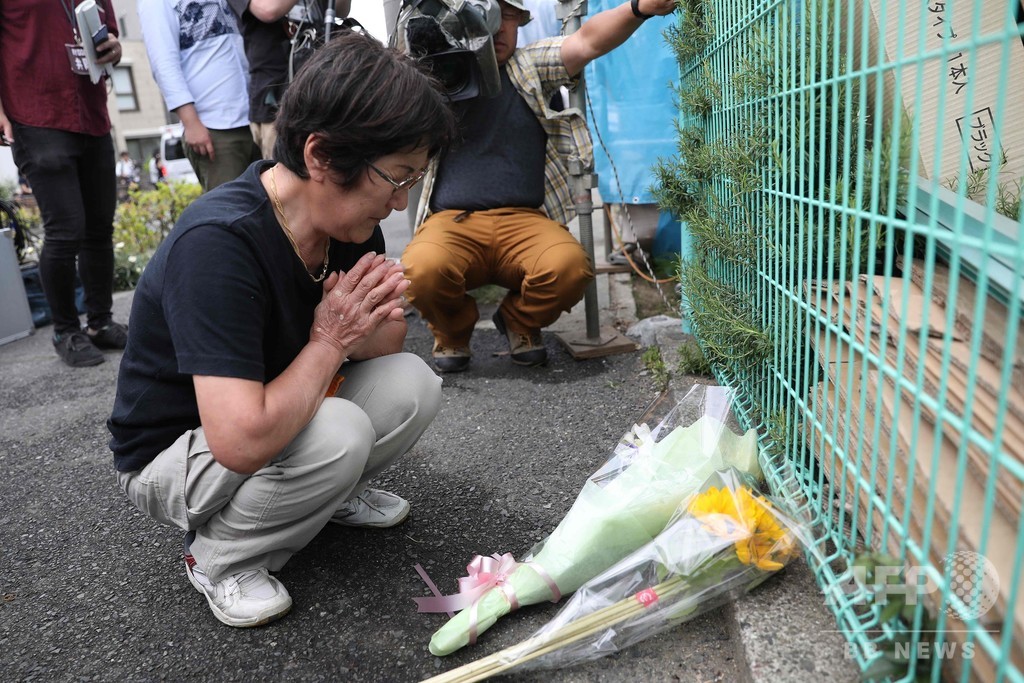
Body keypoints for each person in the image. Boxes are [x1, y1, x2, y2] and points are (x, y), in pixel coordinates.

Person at [108, 31, 456, 628]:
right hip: (177, 453)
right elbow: (238, 440)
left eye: (413, 180)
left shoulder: (347, 227)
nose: (401, 205)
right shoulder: (219, 244)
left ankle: (323, 497)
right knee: (341, 429)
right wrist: (328, 340)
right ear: (320, 155)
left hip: (270, 413)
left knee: (412, 383)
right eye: (397, 177)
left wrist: (344, 333)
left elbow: (387, 341)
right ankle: (219, 559)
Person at [401, 0, 676, 372]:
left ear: (518, 22)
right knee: (419, 268)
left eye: (505, 18)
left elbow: (587, 41)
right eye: (483, 19)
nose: (495, 30)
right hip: (453, 220)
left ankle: (518, 321)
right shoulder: (439, 70)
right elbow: (392, 80)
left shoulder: (528, 65)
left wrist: (639, 8)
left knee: (570, 267)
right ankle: (451, 331)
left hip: (525, 219)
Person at [0, 0, 129, 367]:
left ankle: (100, 322)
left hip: (91, 112)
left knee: (99, 227)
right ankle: (65, 330)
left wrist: (115, 48)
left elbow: (110, 36)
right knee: (65, 228)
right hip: (35, 111)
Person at [138, 0, 261, 192]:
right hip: (214, 126)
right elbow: (163, 64)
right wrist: (191, 123)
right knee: (232, 212)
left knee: (275, 209)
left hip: (257, 115)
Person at [228, 0, 351, 160]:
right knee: (287, 175)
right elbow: (268, 9)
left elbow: (341, 9)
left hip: (322, 94)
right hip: (275, 102)